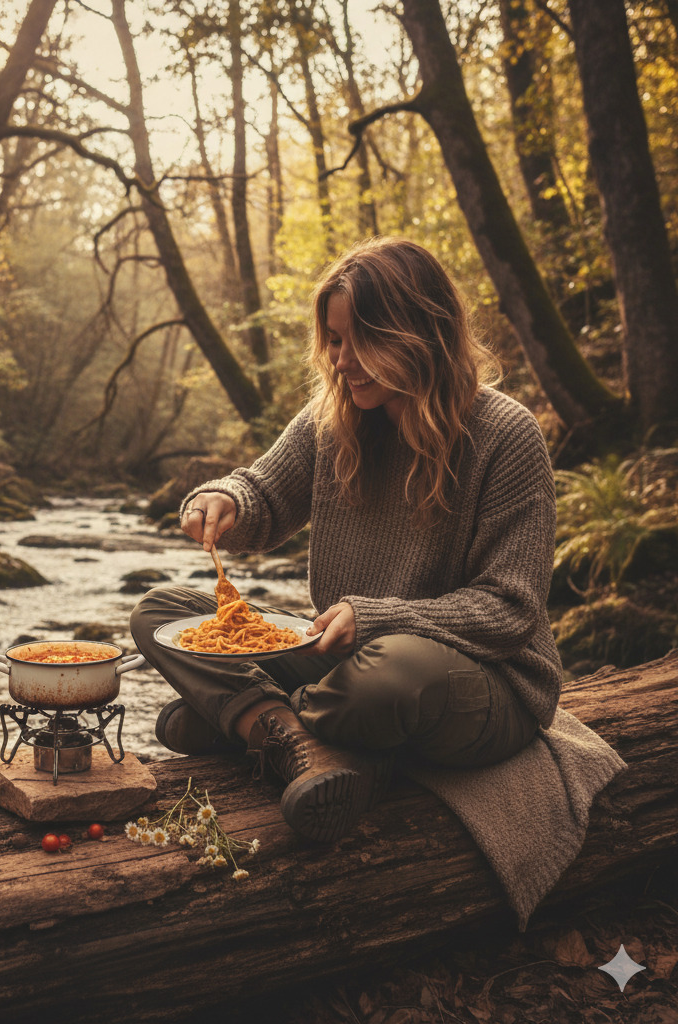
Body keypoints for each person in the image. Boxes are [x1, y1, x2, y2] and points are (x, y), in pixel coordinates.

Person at [129, 236, 564, 844]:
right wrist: (223, 499)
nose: (340, 360)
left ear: (418, 333)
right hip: (343, 656)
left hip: (476, 682)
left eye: (360, 340)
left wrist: (379, 617)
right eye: (333, 340)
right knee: (161, 610)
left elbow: (509, 610)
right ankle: (292, 735)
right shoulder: (332, 420)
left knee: (390, 673)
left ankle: (248, 720)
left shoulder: (507, 435)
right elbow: (263, 492)